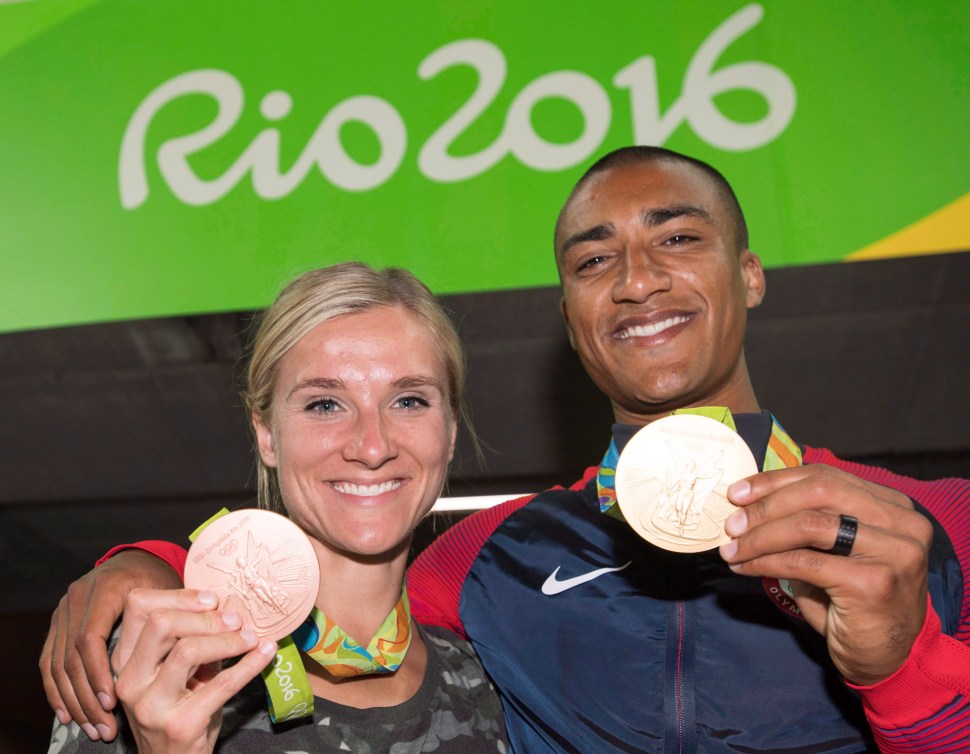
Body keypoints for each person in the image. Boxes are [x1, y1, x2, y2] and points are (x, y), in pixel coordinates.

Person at [42, 147, 970, 752]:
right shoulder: (488, 559)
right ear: (569, 317)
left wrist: (900, 669)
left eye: (678, 238)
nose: (639, 280)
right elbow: (340, 573)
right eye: (593, 260)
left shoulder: (936, 525)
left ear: (752, 275)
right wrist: (145, 565)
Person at [46, 263, 508, 752]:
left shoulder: (494, 680)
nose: (372, 447)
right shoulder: (152, 662)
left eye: (410, 400)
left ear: (450, 432)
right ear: (266, 435)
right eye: (325, 404)